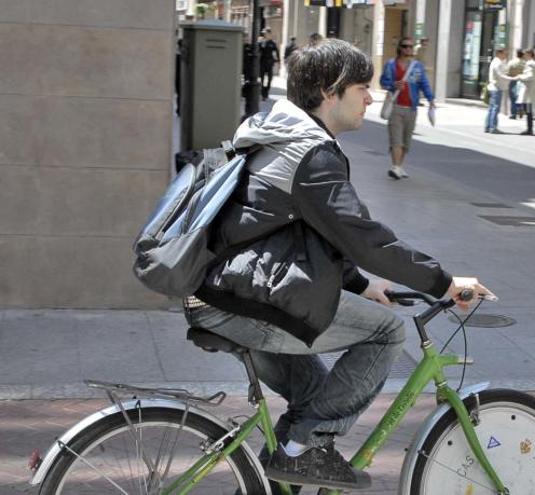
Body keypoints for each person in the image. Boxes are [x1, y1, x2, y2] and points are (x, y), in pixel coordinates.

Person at [184, 39, 494, 490]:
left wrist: (358, 283)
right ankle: (303, 450)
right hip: (239, 302)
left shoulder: (278, 133)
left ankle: (285, 466)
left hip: (223, 291)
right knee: (386, 333)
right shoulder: (311, 152)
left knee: (313, 398)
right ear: (331, 92)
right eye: (362, 88)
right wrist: (443, 282)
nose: (371, 97)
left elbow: (303, 230)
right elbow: (362, 237)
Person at [380, 37, 435, 180]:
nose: (408, 49)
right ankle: (395, 167)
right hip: (396, 107)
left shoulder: (417, 66)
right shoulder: (391, 65)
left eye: (410, 47)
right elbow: (383, 81)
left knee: (406, 141)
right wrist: (393, 85)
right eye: (405, 46)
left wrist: (431, 99)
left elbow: (424, 83)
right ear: (400, 48)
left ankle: (399, 166)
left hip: (411, 108)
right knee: (396, 139)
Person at [485, 48, 513, 134]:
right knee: (495, 108)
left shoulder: (497, 62)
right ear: (499, 54)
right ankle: (493, 127)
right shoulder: (497, 63)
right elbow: (500, 75)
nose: (506, 55)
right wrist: (512, 78)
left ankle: (488, 126)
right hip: (496, 87)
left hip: (495, 87)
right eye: (505, 54)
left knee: (491, 108)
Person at [516, 49, 535, 136]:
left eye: (525, 54)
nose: (524, 56)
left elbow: (530, 76)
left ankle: (529, 129)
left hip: (528, 89)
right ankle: (529, 128)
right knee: (528, 110)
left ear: (529, 54)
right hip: (531, 89)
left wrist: (520, 77)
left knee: (529, 110)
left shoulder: (530, 63)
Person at [258, 28, 281, 100]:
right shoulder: (261, 41)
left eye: (266, 33)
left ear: (269, 34)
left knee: (270, 79)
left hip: (270, 63)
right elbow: (257, 50)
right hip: (262, 62)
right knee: (261, 79)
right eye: (264, 33)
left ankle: (266, 92)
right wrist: (259, 42)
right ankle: (262, 94)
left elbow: (276, 52)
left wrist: (278, 61)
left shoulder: (272, 43)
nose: (264, 34)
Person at [507, 49, 526, 119]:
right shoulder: (525, 63)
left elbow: (507, 72)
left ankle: (513, 114)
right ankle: (520, 107)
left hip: (513, 80)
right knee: (520, 96)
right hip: (522, 81)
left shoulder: (512, 62)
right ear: (523, 55)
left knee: (513, 98)